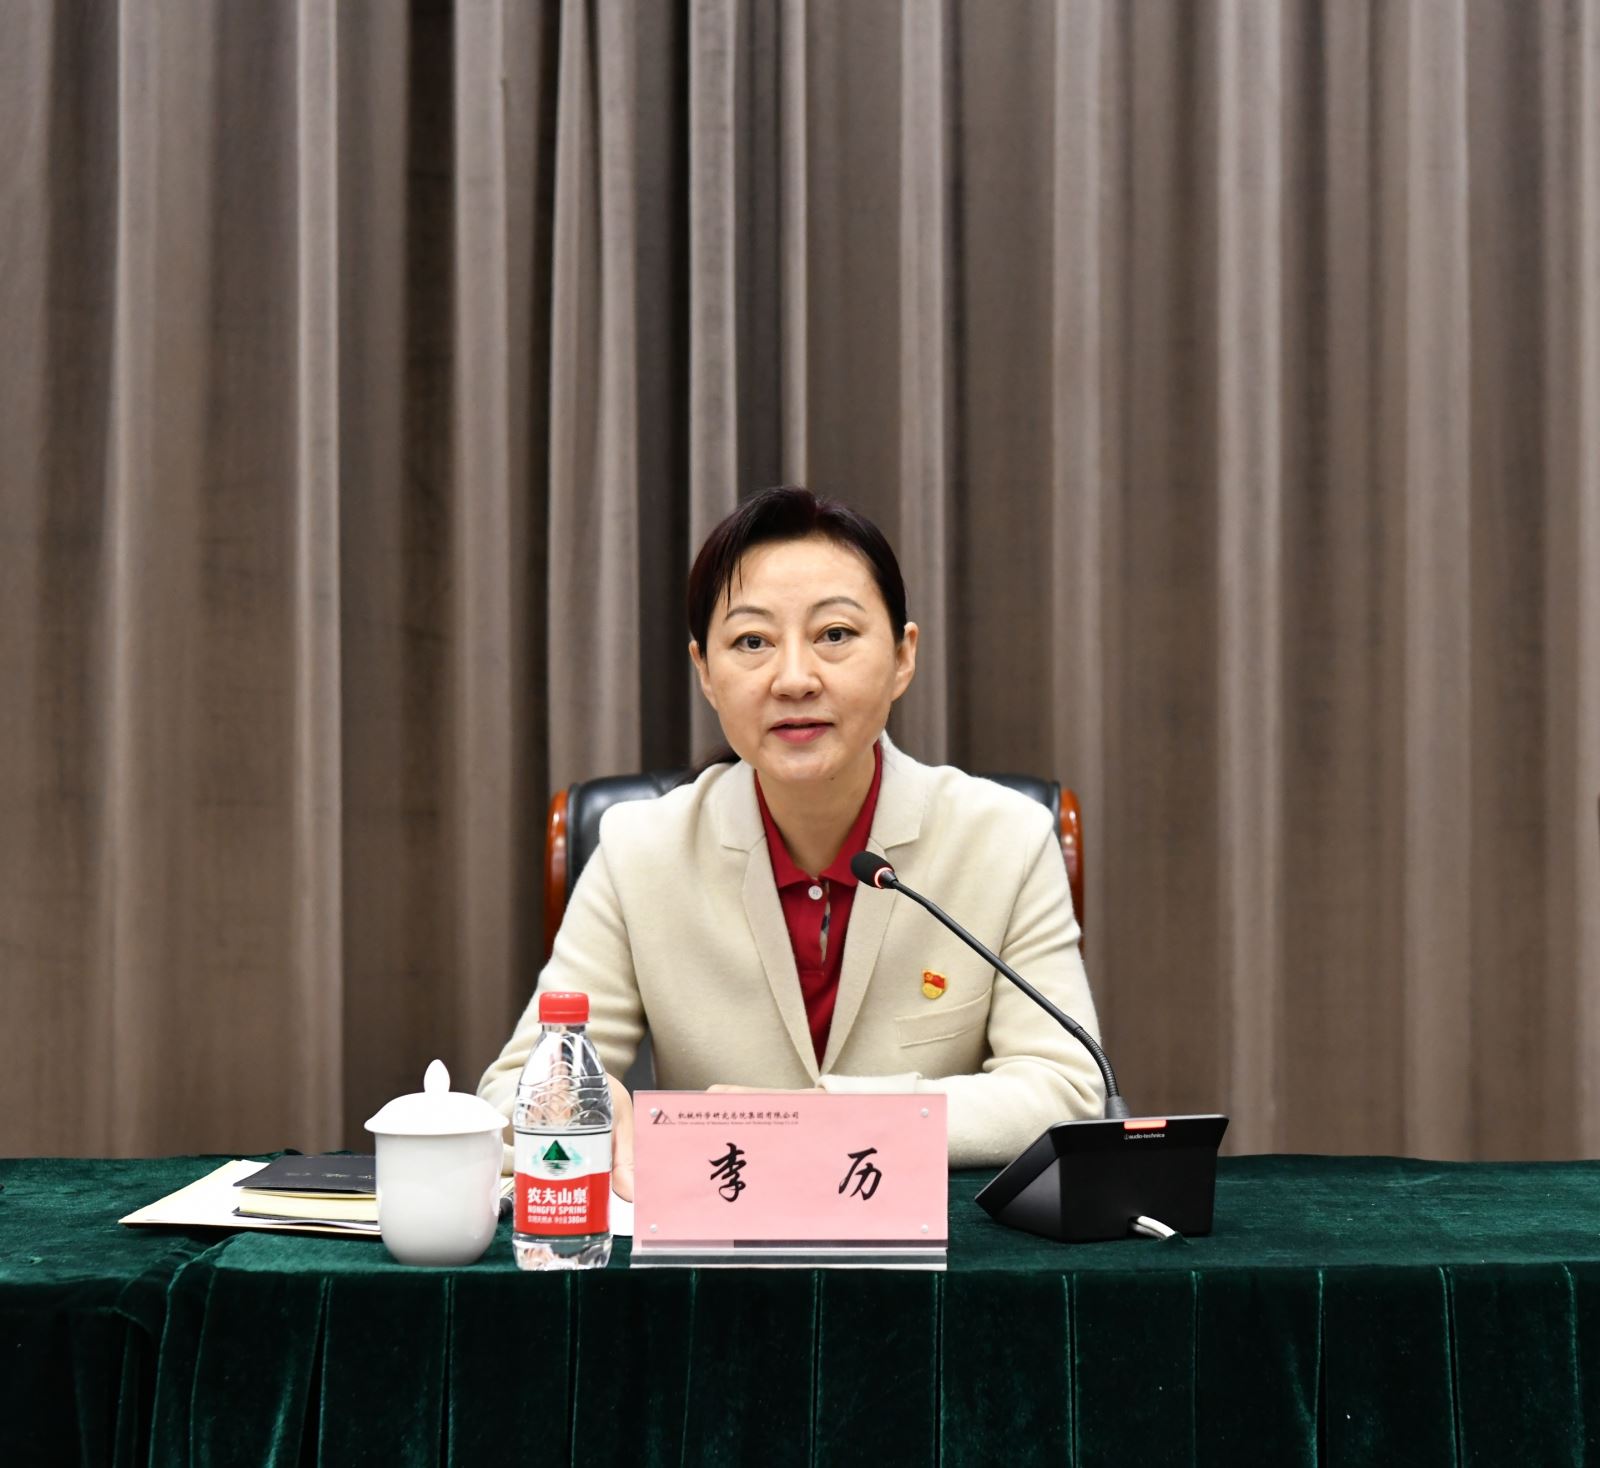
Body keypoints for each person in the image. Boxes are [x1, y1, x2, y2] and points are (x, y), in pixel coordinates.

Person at [477, 486, 1106, 1197]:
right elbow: (510, 1092)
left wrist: (822, 1120)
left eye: (835, 635)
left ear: (903, 657)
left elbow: (1067, 1089)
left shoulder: (1005, 840)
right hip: (716, 1241)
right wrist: (585, 1105)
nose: (795, 679)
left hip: (933, 1249)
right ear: (705, 673)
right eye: (752, 642)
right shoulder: (639, 851)